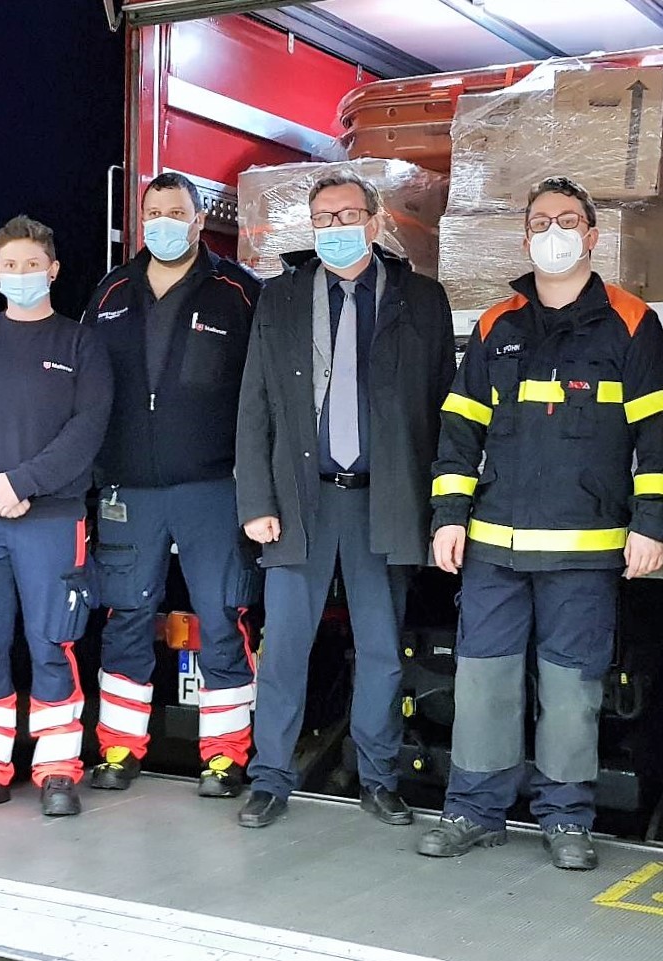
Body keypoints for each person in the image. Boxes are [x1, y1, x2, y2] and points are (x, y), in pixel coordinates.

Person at [417, 177, 663, 870]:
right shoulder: (497, 325)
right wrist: (448, 516)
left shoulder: (631, 323)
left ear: (592, 235)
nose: (553, 231)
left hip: (583, 552)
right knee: (483, 685)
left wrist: (652, 523)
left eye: (567, 219)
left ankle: (566, 819)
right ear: (525, 236)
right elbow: (459, 429)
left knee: (570, 693)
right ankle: (474, 810)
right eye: (540, 221)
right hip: (493, 549)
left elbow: (658, 435)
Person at [234, 170, 455, 828]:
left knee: (382, 649)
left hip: (383, 500)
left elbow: (444, 407)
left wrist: (440, 506)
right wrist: (256, 499)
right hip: (299, 501)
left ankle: (378, 778)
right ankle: (270, 776)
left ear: (375, 221)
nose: (335, 228)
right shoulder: (280, 298)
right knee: (285, 648)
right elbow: (254, 405)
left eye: (347, 215)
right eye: (323, 218)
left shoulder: (420, 299)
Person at [81, 172, 263, 797]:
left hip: (212, 486)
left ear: (198, 218)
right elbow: (85, 389)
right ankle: (118, 749)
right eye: (154, 211)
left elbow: (265, 392)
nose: (164, 222)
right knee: (126, 615)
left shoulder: (238, 291)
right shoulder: (110, 291)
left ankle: (225, 757)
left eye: (176, 211)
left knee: (221, 614)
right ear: (141, 219)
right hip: (128, 489)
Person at [0, 215, 113, 818]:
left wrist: (23, 483)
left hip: (51, 517)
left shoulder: (81, 344)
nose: (21, 274)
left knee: (53, 640)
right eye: (10, 265)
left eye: (32, 264)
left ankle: (57, 768)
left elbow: (87, 428)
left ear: (53, 270)